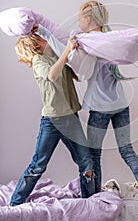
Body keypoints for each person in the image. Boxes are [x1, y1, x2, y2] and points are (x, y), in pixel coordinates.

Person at [78, 0, 138, 215]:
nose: (78, 23)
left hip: (100, 107)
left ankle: (94, 199)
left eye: (80, 18)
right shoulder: (115, 40)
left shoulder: (87, 40)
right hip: (121, 104)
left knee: (93, 155)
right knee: (127, 150)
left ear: (88, 19)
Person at [10, 33, 95, 206]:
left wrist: (76, 55)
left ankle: (90, 201)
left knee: (86, 161)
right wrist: (67, 52)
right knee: (38, 165)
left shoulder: (58, 57)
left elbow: (77, 76)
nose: (48, 39)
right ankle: (15, 202)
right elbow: (51, 75)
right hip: (53, 120)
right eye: (43, 37)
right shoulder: (38, 62)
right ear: (37, 45)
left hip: (71, 117)